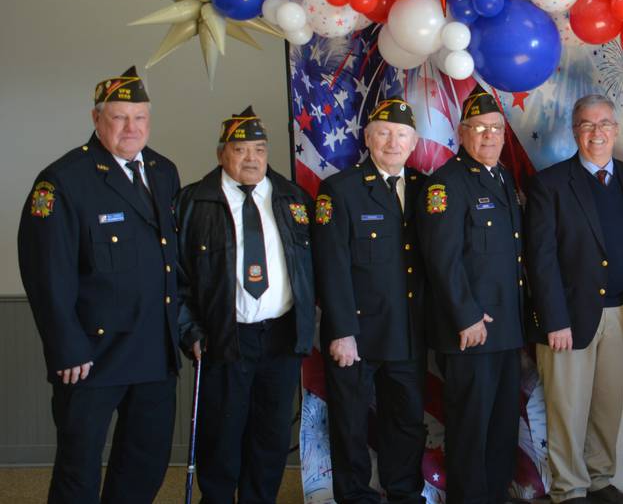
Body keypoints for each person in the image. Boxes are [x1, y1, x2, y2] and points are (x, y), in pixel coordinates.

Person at [19, 66, 181, 504]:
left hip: (153, 349)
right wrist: (66, 347)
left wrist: (184, 330)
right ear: (96, 120)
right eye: (119, 118)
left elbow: (171, 261)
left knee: (144, 462)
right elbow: (45, 274)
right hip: (92, 355)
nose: (132, 128)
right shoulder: (63, 181)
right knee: (79, 468)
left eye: (140, 118)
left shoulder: (164, 172)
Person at [174, 106, 316, 503]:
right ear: (222, 154)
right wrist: (190, 331)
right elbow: (175, 279)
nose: (252, 158)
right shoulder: (191, 203)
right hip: (223, 338)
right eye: (241, 149)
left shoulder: (293, 198)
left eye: (259, 148)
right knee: (221, 436)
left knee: (269, 438)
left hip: (280, 337)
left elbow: (314, 267)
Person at [524, 94, 623, 504]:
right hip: (569, 316)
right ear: (575, 131)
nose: (596, 133)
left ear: (616, 129)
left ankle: (599, 479)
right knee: (567, 409)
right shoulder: (550, 184)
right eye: (586, 125)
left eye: (604, 124)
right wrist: (554, 319)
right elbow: (539, 259)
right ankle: (570, 489)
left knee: (606, 407)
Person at [312, 98, 428, 504]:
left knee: (408, 421)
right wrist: (342, 331)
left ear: (413, 142)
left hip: (407, 331)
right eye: (383, 132)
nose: (392, 142)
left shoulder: (424, 189)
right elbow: (331, 268)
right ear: (368, 138)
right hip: (356, 335)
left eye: (401, 135)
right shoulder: (339, 191)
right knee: (350, 424)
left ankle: (404, 493)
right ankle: (355, 496)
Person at [419, 84, 526, 504]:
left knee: (501, 427)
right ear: (461, 134)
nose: (488, 136)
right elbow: (442, 260)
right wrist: (465, 316)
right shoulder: (446, 185)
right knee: (470, 429)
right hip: (471, 331)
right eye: (478, 129)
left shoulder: (502, 179)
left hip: (506, 328)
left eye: (495, 128)